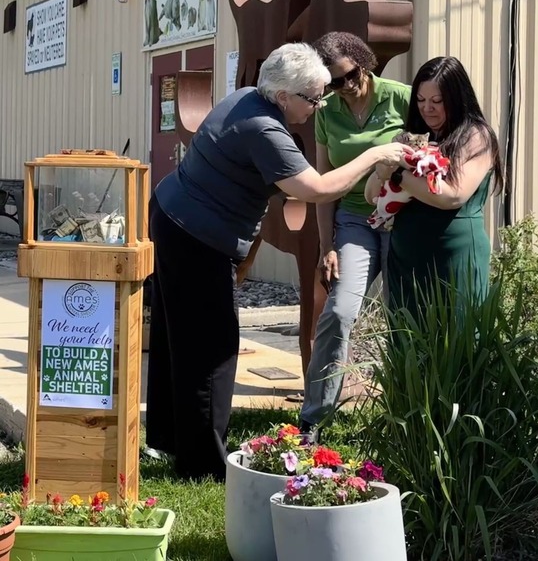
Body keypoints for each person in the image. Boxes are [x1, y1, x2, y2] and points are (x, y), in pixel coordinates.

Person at [145, 42, 411, 481]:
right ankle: (203, 466)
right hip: (197, 237)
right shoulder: (264, 130)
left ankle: (172, 440)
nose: (320, 105)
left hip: (172, 216)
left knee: (178, 338)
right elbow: (317, 189)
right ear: (286, 95)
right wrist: (375, 155)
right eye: (314, 97)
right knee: (212, 351)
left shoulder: (246, 98)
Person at [299, 31, 411, 434]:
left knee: (404, 315)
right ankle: (313, 417)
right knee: (340, 311)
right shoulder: (327, 112)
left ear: (363, 62)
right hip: (354, 221)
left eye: (348, 76)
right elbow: (324, 183)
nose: (344, 88)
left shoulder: (401, 97)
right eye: (332, 83)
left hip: (402, 220)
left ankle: (406, 415)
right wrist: (326, 245)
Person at [365, 56, 503, 314]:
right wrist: (382, 169)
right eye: (420, 100)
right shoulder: (412, 137)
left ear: (456, 98)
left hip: (454, 257)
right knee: (407, 343)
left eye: (437, 101)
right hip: (405, 259)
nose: (427, 108)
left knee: (456, 342)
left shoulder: (475, 136)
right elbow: (371, 196)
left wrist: (397, 174)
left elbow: (451, 196)